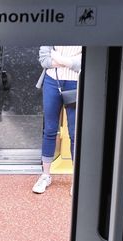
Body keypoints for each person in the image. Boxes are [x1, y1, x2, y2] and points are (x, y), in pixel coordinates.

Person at [33, 46, 82, 194]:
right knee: (49, 129)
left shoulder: (84, 29)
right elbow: (44, 60)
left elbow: (82, 63)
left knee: (75, 133)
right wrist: (69, 62)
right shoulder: (55, 26)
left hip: (75, 82)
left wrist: (58, 58)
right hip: (52, 81)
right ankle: (45, 175)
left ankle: (77, 179)